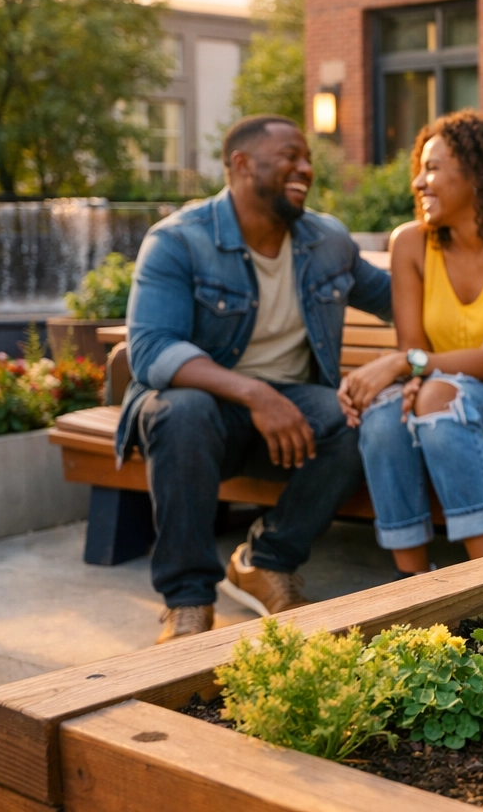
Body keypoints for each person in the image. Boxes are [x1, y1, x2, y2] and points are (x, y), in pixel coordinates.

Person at [121, 115, 392, 643]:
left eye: (307, 158)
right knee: (183, 410)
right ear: (241, 164)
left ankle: (266, 561)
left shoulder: (327, 240)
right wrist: (254, 392)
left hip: (293, 420)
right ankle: (188, 601)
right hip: (202, 419)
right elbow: (150, 350)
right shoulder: (178, 241)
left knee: (356, 416)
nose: (305, 168)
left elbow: (402, 300)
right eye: (290, 156)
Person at [337, 111, 483, 576]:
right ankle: (412, 589)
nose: (419, 183)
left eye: (433, 169)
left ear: (480, 174)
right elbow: (415, 352)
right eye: (419, 170)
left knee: (440, 396)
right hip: (443, 398)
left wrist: (402, 367)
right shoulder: (410, 244)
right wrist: (404, 374)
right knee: (385, 414)